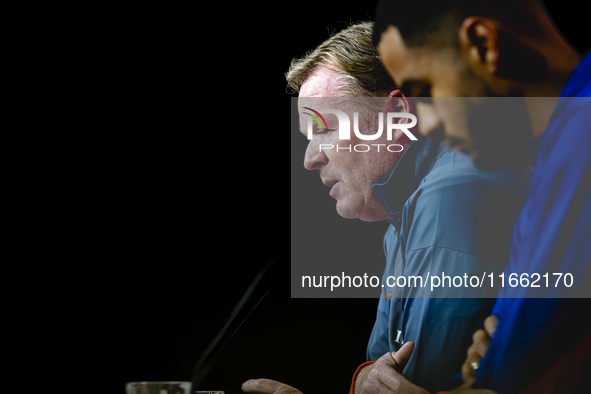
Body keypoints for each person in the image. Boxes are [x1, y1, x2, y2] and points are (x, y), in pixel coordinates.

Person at [243, 21, 530, 393]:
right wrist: (363, 376)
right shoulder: (402, 217)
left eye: (325, 129)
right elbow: (383, 372)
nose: (309, 159)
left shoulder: (452, 193)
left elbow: (417, 381)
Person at [373, 0, 591, 393]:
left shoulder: (582, 139)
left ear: (482, 44)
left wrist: (494, 369)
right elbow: (506, 357)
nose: (428, 124)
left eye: (426, 91)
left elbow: (512, 369)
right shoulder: (549, 165)